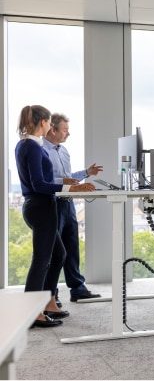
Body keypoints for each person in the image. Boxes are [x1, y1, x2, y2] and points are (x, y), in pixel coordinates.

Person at [15, 105, 95, 328]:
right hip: (41, 207)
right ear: (43, 123)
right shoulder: (31, 146)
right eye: (49, 122)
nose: (50, 126)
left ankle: (48, 302)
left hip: (41, 206)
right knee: (42, 260)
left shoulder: (27, 144)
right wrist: (73, 189)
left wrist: (64, 183)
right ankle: (31, 313)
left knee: (59, 254)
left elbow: (41, 181)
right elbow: (38, 185)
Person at [43, 113, 103, 304]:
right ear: (53, 129)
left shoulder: (64, 151)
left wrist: (87, 173)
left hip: (68, 203)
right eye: (65, 130)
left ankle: (77, 288)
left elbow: (69, 177)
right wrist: (64, 181)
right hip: (52, 204)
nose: (68, 134)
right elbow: (43, 181)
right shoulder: (42, 151)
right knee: (55, 252)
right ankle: (50, 295)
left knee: (72, 247)